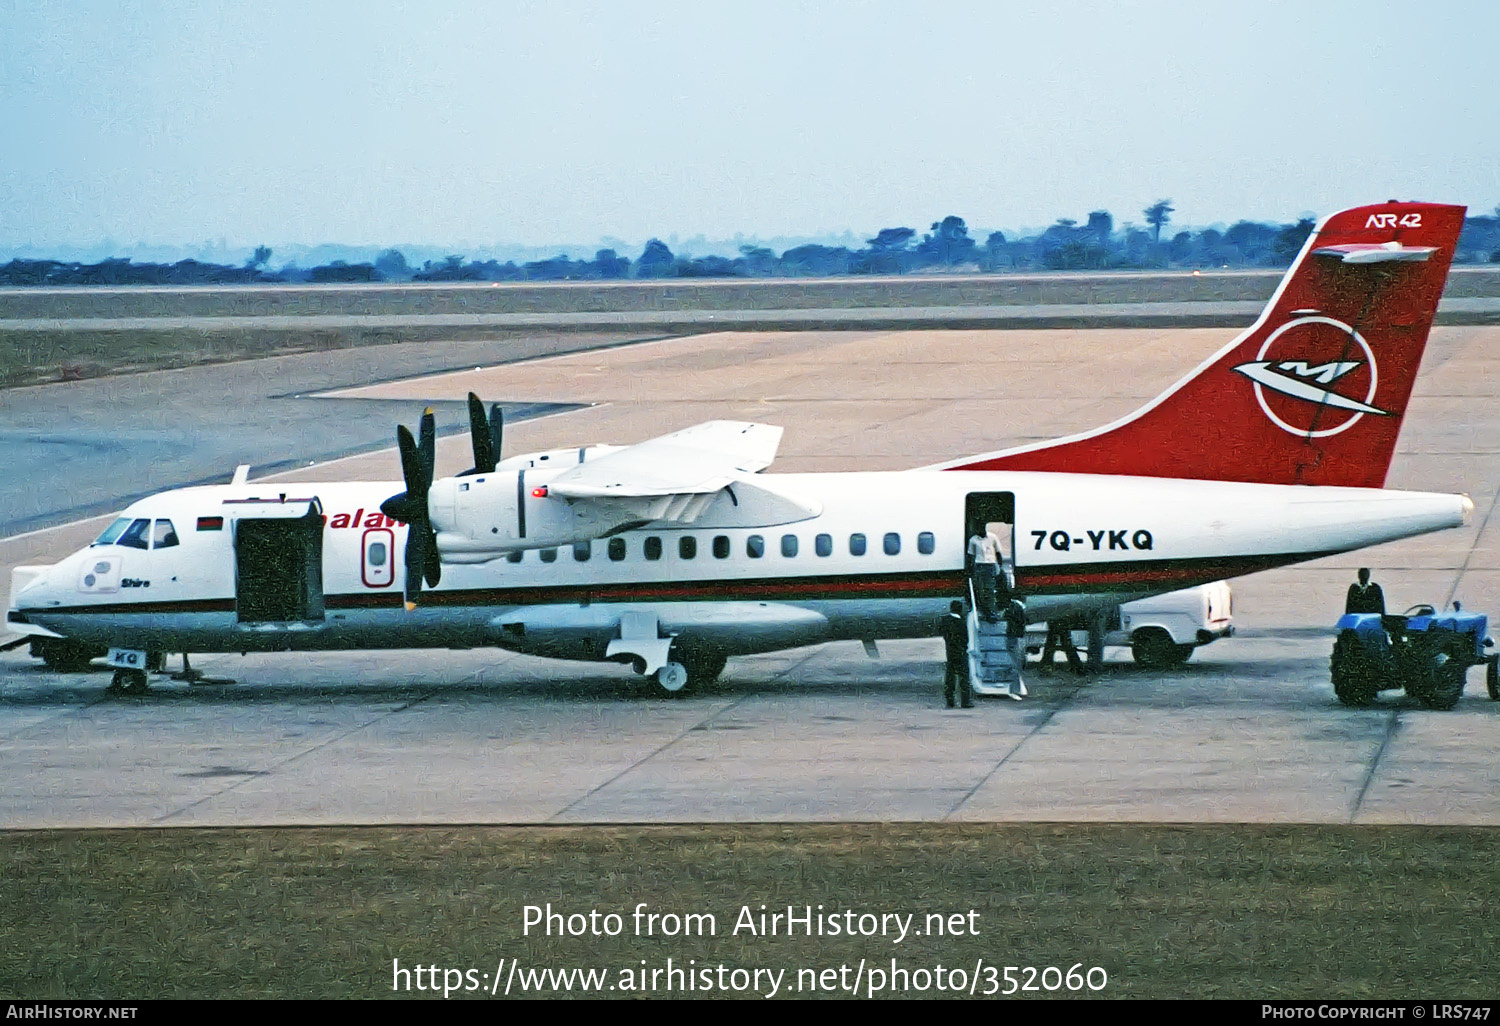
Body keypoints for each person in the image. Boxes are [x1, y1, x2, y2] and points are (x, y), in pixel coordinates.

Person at [938, 600, 973, 708]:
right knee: (964, 678)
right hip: (961, 652)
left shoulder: (945, 620)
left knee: (950, 677)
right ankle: (965, 701)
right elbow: (965, 638)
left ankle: (950, 700)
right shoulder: (961, 622)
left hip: (950, 652)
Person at [968, 532, 1001, 622]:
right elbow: (971, 555)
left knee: (989, 589)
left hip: (990, 565)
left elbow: (998, 552)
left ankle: (992, 612)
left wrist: (999, 567)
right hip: (979, 565)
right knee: (981, 589)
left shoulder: (993, 537)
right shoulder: (973, 540)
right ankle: (986, 611)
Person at [1002, 597, 1028, 699]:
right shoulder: (1017, 607)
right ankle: (1013, 689)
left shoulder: (1013, 606)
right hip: (1016, 636)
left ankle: (1015, 687)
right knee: (1016, 662)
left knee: (1015, 661)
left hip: (1013, 635)